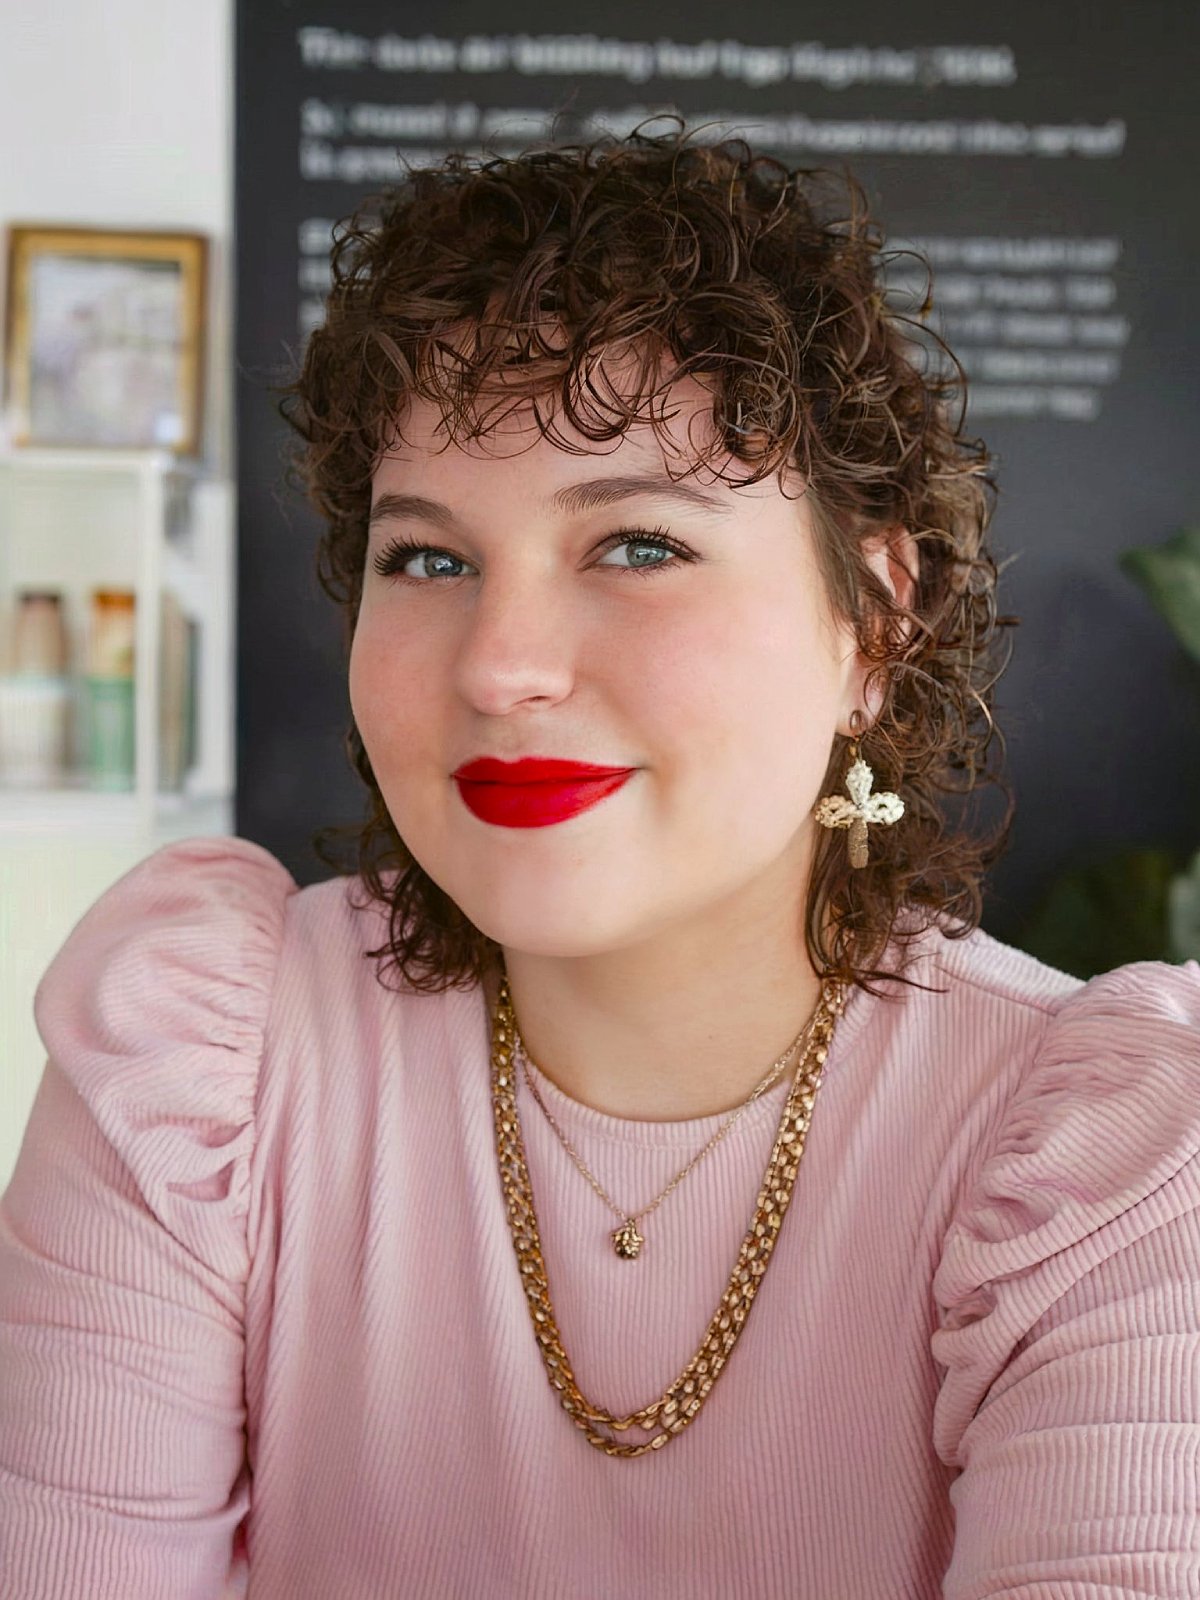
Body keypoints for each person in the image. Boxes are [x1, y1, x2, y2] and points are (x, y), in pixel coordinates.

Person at [2, 124, 1198, 1600]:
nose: (499, 667)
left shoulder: (1116, 1170)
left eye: (636, 543)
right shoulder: (201, 1069)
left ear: (875, 619)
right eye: (428, 559)